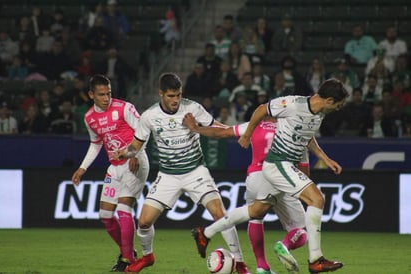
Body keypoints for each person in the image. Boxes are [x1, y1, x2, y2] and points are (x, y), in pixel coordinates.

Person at [191, 78, 348, 274]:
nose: (338, 109)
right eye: (339, 105)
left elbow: (306, 135)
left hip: (279, 167)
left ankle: (205, 233)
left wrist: (325, 157)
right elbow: (261, 110)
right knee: (317, 199)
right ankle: (315, 259)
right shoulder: (292, 103)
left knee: (255, 211)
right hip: (278, 163)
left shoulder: (319, 113)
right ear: (329, 100)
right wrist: (247, 134)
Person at [113, 73, 250, 274]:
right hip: (168, 175)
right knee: (143, 222)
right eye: (170, 96)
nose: (175, 100)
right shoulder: (150, 116)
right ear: (161, 94)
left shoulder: (192, 108)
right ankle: (147, 256)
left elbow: (218, 127)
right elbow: (136, 145)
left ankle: (240, 263)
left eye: (178, 95)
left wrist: (237, 131)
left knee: (219, 213)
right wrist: (124, 152)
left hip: (196, 171)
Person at [183, 113, 310, 274]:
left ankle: (262, 266)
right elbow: (304, 170)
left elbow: (222, 132)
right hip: (279, 177)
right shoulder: (293, 131)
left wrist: (195, 128)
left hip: (254, 177)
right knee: (300, 229)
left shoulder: (254, 125)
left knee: (255, 218)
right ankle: (285, 245)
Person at [71, 74, 149, 271]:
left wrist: (134, 154)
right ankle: (128, 253)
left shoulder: (124, 108)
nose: (106, 98)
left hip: (135, 162)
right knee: (105, 215)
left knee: (123, 210)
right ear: (91, 95)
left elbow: (144, 131)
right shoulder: (89, 117)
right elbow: (96, 144)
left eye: (109, 93)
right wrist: (82, 168)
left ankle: (128, 260)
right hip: (114, 167)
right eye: (101, 94)